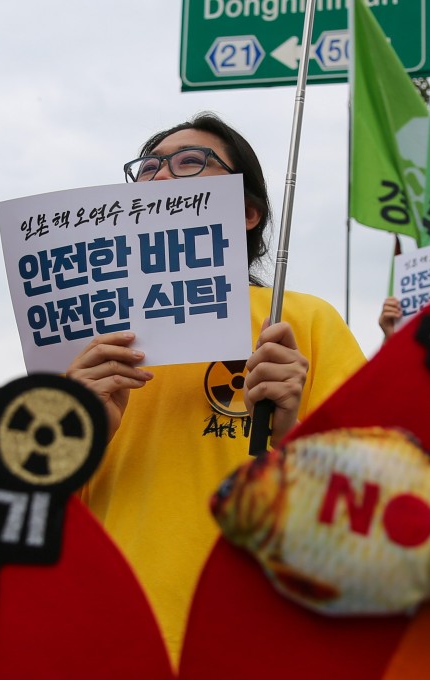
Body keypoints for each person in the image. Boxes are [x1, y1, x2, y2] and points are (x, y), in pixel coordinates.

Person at [69, 113, 366, 667]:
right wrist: (76, 436)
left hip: (269, 640)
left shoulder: (301, 321)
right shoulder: (92, 343)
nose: (159, 179)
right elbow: (38, 517)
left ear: (248, 212)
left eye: (188, 163)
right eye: (148, 169)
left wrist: (293, 431)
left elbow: (377, 494)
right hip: (117, 643)